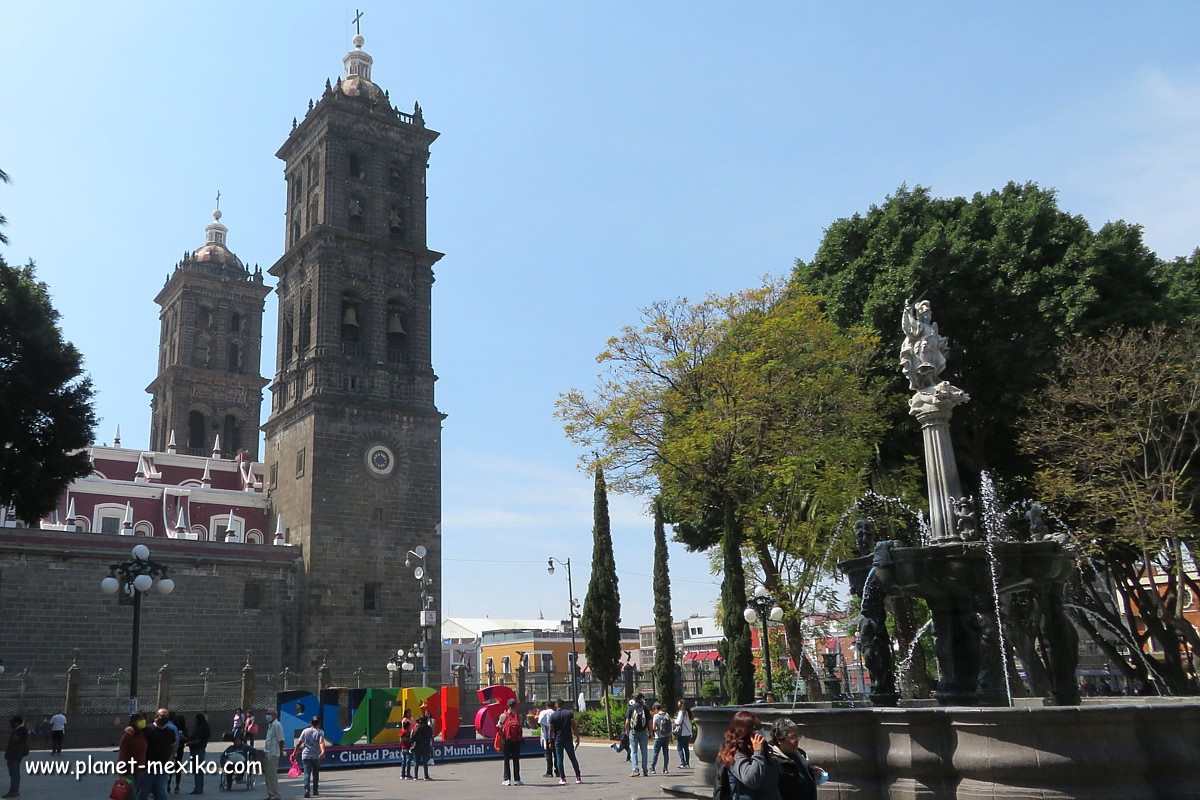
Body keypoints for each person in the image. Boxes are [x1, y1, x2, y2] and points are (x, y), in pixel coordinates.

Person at [716, 710, 780, 800]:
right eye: (754, 728)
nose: (759, 732)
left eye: (760, 727)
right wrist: (758, 752)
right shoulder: (735, 755)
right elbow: (751, 780)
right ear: (744, 732)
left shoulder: (763, 751)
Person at [768, 718, 823, 800]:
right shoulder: (772, 761)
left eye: (797, 736)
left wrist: (810, 771)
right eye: (792, 737)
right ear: (779, 740)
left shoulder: (800, 754)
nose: (796, 740)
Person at [144, 709, 178, 800]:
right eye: (162, 716)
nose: (165, 718)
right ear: (156, 717)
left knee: (162, 794)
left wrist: (170, 759)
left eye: (167, 717)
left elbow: (173, 746)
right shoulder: (147, 730)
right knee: (142, 794)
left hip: (162, 768)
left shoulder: (170, 731)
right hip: (147, 768)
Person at [549, 698, 582, 785]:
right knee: (573, 758)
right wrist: (577, 737)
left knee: (559, 759)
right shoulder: (568, 713)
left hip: (558, 740)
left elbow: (550, 730)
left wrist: (550, 741)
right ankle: (578, 777)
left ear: (556, 705)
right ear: (563, 705)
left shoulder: (553, 716)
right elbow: (574, 726)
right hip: (568, 739)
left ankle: (563, 778)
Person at [117, 714, 149, 800]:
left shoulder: (143, 734)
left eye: (144, 719)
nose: (143, 721)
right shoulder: (128, 735)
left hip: (139, 772)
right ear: (134, 721)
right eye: (140, 719)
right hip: (127, 772)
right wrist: (121, 774)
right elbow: (122, 754)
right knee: (132, 796)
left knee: (130, 795)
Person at [297, 716, 326, 798]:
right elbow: (321, 742)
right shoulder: (320, 732)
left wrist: (295, 752)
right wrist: (323, 751)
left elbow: (299, 743)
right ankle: (315, 790)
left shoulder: (305, 731)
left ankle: (307, 790)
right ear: (319, 723)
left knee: (306, 774)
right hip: (316, 756)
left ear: (310, 723)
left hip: (306, 755)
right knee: (315, 774)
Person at [497, 697, 523, 786]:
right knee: (516, 760)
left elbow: (499, 726)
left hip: (506, 740)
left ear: (508, 705)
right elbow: (520, 726)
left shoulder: (503, 715)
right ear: (515, 705)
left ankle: (507, 779)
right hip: (516, 740)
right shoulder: (519, 715)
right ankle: (517, 779)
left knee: (506, 760)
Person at [624, 693, 650, 777]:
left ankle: (635, 769)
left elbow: (627, 721)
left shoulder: (631, 708)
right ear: (641, 698)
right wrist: (651, 733)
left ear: (634, 699)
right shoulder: (645, 708)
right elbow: (649, 721)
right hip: (643, 731)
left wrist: (627, 731)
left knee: (634, 751)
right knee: (644, 751)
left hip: (634, 731)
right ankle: (645, 770)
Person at [261, 709, 285, 800]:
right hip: (268, 752)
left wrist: (281, 751)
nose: (267, 716)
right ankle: (271, 794)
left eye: (269, 714)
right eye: (267, 714)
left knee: (272, 776)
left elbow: (281, 740)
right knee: (268, 776)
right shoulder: (270, 725)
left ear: (275, 715)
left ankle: (276, 795)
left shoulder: (277, 725)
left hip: (273, 753)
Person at [4, 716, 30, 798]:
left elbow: (15, 744)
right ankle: (15, 791)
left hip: (14, 755)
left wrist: (9, 754)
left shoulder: (20, 731)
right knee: (14, 774)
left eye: (12, 722)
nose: (11, 724)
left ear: (17, 723)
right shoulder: (20, 730)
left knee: (14, 774)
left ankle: (13, 791)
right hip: (16, 755)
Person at [187, 714, 210, 795]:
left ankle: (197, 788)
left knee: (196, 770)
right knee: (200, 771)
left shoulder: (198, 729)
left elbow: (196, 740)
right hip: (202, 750)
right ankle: (200, 788)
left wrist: (188, 743)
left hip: (196, 750)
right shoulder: (205, 729)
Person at [536, 701, 558, 778]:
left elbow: (539, 722)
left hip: (546, 737)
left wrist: (537, 714)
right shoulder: (555, 713)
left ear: (546, 706)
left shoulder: (544, 713)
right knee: (556, 754)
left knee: (548, 755)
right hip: (556, 736)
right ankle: (558, 770)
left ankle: (549, 771)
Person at [649, 702, 671, 774]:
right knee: (666, 753)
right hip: (666, 736)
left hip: (658, 737)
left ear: (655, 708)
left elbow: (654, 727)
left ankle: (652, 768)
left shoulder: (656, 716)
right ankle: (665, 768)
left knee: (655, 752)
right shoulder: (666, 715)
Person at [411, 715, 433, 781]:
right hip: (425, 746)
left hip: (417, 746)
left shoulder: (418, 728)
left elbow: (413, 737)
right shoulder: (429, 728)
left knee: (416, 762)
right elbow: (430, 736)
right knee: (425, 762)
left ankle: (415, 776)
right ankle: (426, 776)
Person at [171, 713, 189, 793]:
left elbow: (187, 739)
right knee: (171, 767)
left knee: (177, 767)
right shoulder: (173, 728)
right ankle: (169, 784)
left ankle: (177, 785)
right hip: (173, 749)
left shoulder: (183, 729)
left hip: (179, 749)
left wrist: (182, 737)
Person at [674, 700, 693, 769]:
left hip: (682, 733)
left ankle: (683, 763)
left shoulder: (681, 712)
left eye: (679, 704)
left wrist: (674, 720)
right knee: (686, 748)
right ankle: (687, 763)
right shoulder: (688, 712)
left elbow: (678, 722)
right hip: (688, 732)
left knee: (679, 748)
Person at [398, 709, 415, 780]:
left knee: (404, 761)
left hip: (403, 748)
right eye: (408, 713)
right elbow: (406, 739)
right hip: (406, 748)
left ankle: (403, 774)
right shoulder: (405, 720)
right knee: (407, 761)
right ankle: (407, 774)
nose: (409, 714)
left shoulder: (411, 719)